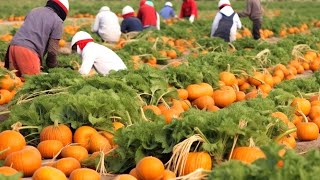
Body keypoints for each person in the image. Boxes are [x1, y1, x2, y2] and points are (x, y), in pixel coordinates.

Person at [4, 0, 69, 77]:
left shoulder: (34, 11)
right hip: (28, 52)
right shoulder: (57, 21)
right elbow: (52, 50)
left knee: (15, 81)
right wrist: (53, 66)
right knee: (32, 82)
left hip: (13, 47)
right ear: (62, 12)